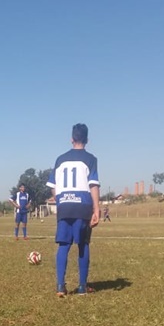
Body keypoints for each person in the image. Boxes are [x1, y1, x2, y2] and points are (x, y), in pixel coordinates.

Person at [46, 123, 100, 296]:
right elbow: (93, 185)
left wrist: (60, 198)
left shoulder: (60, 159)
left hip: (64, 206)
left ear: (71, 139)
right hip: (82, 206)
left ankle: (60, 286)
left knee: (64, 245)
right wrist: (96, 209)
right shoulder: (91, 159)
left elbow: (52, 186)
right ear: (87, 140)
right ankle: (82, 287)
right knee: (83, 244)